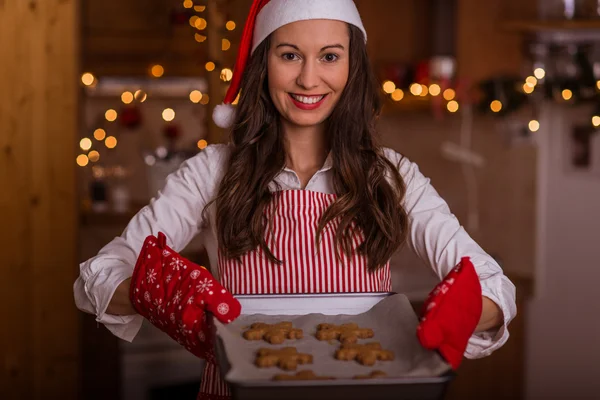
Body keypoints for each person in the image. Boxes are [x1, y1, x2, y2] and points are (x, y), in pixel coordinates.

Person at [74, 0, 517, 399]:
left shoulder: (390, 175)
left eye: (329, 56)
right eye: (289, 55)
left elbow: (492, 285)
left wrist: (462, 313)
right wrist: (161, 295)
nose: (309, 78)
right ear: (263, 62)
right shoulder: (213, 172)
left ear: (352, 67)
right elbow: (100, 274)